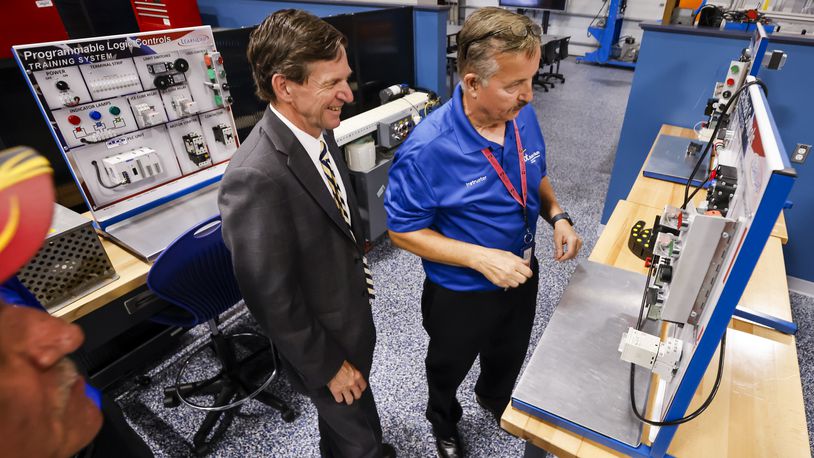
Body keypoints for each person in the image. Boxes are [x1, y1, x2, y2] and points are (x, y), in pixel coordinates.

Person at [384, 7, 583, 458]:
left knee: (509, 350)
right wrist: (480, 257)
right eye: (515, 85)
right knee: (448, 364)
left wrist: (558, 215)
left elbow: (535, 175)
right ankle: (444, 420)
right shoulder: (428, 150)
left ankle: (495, 400)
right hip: (463, 289)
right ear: (472, 83)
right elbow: (402, 231)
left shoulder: (520, 115)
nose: (529, 96)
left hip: (522, 272)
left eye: (531, 80)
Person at [218, 9, 394, 458]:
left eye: (346, 78)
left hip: (348, 319)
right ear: (285, 86)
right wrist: (329, 367)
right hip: (322, 346)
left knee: (349, 426)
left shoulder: (316, 129)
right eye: (332, 82)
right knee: (362, 443)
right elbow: (270, 298)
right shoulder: (256, 176)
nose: (348, 95)